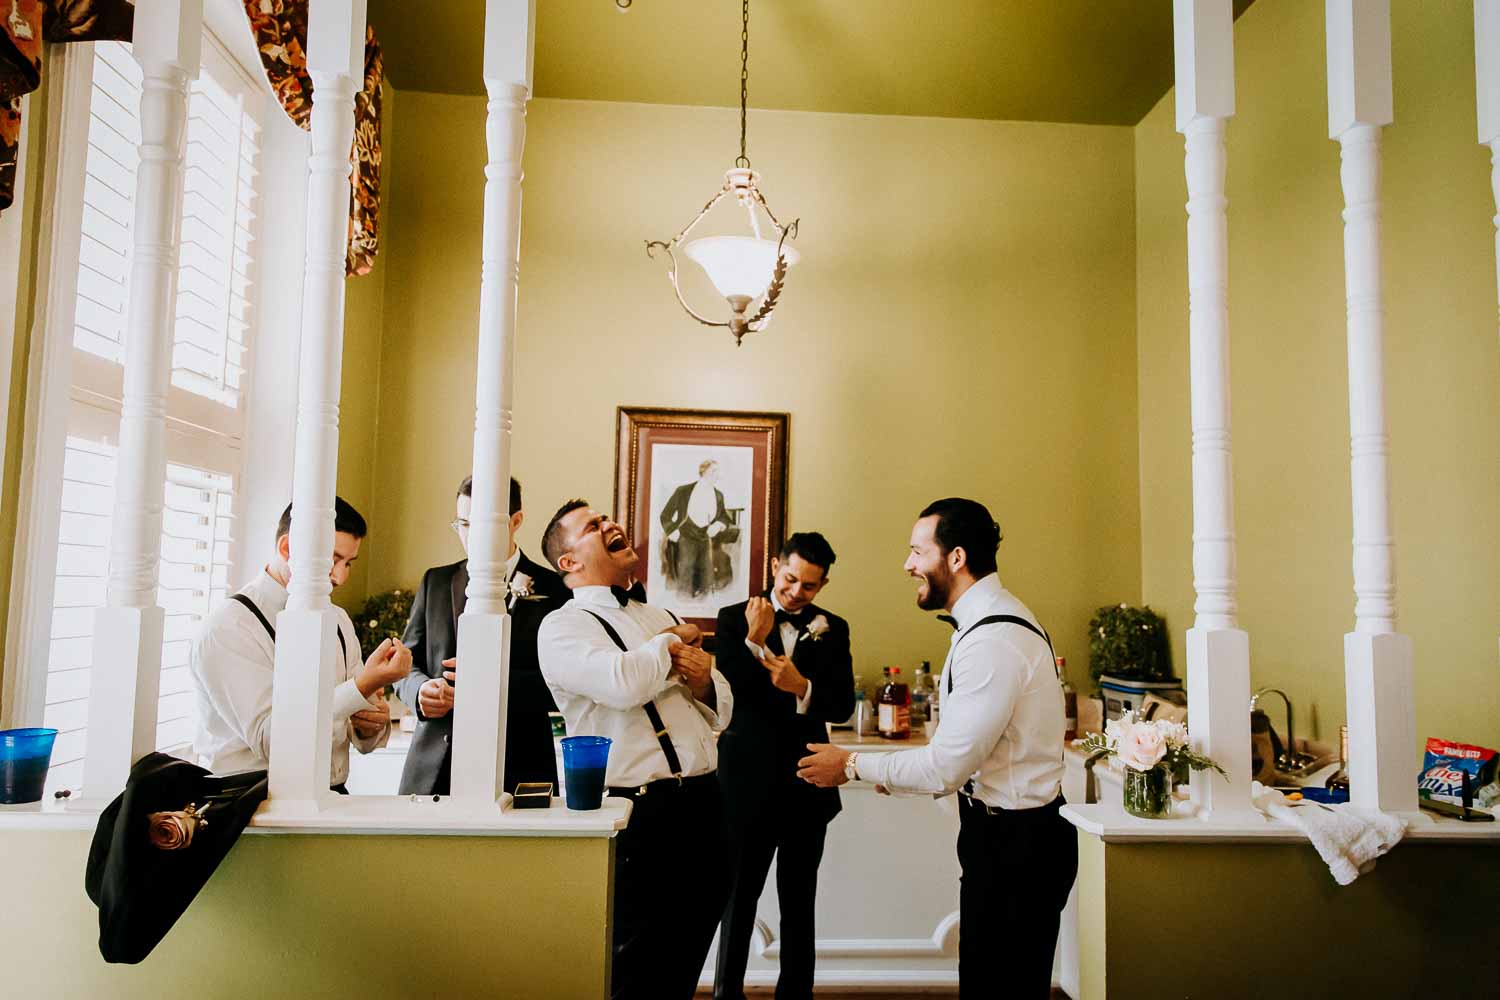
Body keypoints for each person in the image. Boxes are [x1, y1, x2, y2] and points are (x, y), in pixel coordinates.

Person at [797, 498, 1075, 999]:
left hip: (1018, 847)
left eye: (917, 552)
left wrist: (851, 765)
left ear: (956, 558)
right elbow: (967, 758)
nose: (908, 565)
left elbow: (946, 765)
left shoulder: (993, 639)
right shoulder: (987, 622)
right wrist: (897, 775)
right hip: (1003, 838)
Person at [536, 500, 733, 1000]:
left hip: (705, 803)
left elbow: (722, 707)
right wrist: (672, 643)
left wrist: (706, 681)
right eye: (593, 526)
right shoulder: (562, 627)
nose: (610, 524)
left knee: (685, 962)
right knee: (637, 969)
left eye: (607, 518)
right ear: (569, 562)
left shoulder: (657, 614)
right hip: (641, 813)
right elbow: (624, 683)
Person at [713, 532, 855, 1000]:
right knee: (739, 898)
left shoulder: (834, 628)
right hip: (746, 783)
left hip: (807, 784)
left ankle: (796, 996)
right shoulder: (733, 618)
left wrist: (803, 687)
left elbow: (839, 707)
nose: (797, 592)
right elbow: (735, 692)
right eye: (791, 579)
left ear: (824, 585)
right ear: (776, 566)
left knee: (799, 901)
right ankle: (726, 994)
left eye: (810, 587)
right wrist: (756, 642)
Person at [189, 497, 412, 792]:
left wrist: (369, 724)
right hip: (252, 808)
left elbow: (353, 733)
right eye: (332, 560)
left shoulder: (339, 620)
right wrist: (360, 687)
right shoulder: (228, 628)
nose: (341, 577)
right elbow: (272, 740)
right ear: (287, 548)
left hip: (333, 796)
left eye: (348, 563)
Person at [394, 475, 570, 796]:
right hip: (434, 766)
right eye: (463, 522)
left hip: (521, 764)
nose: (470, 534)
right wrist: (421, 692)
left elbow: (563, 681)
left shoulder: (556, 589)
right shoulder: (436, 581)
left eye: (483, 523)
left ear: (516, 520)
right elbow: (405, 666)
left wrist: (488, 683)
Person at [658, 458, 736, 598]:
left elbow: (724, 516)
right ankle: (684, 605)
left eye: (718, 472)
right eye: (714, 471)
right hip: (685, 536)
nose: (717, 475)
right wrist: (671, 531)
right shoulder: (683, 491)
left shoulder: (718, 495)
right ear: (704, 471)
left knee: (706, 577)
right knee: (686, 576)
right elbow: (665, 515)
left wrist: (718, 525)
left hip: (705, 538)